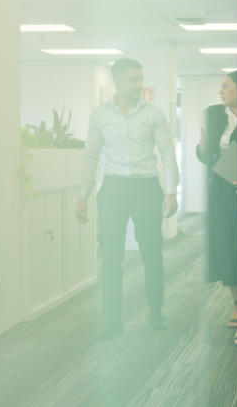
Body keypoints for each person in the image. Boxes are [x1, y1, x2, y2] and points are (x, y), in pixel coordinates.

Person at [75, 58, 180, 340]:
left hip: (147, 188)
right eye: (133, 79)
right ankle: (112, 318)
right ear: (117, 81)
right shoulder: (99, 115)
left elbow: (167, 153)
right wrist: (83, 195)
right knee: (111, 256)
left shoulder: (154, 113)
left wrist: (171, 190)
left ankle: (156, 310)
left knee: (151, 253)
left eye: (140, 79)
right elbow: (91, 156)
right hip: (114, 189)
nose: (139, 84)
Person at [197, 71, 237, 347]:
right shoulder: (213, 114)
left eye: (226, 86)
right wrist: (201, 147)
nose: (220, 91)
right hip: (222, 191)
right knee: (225, 247)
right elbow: (207, 154)